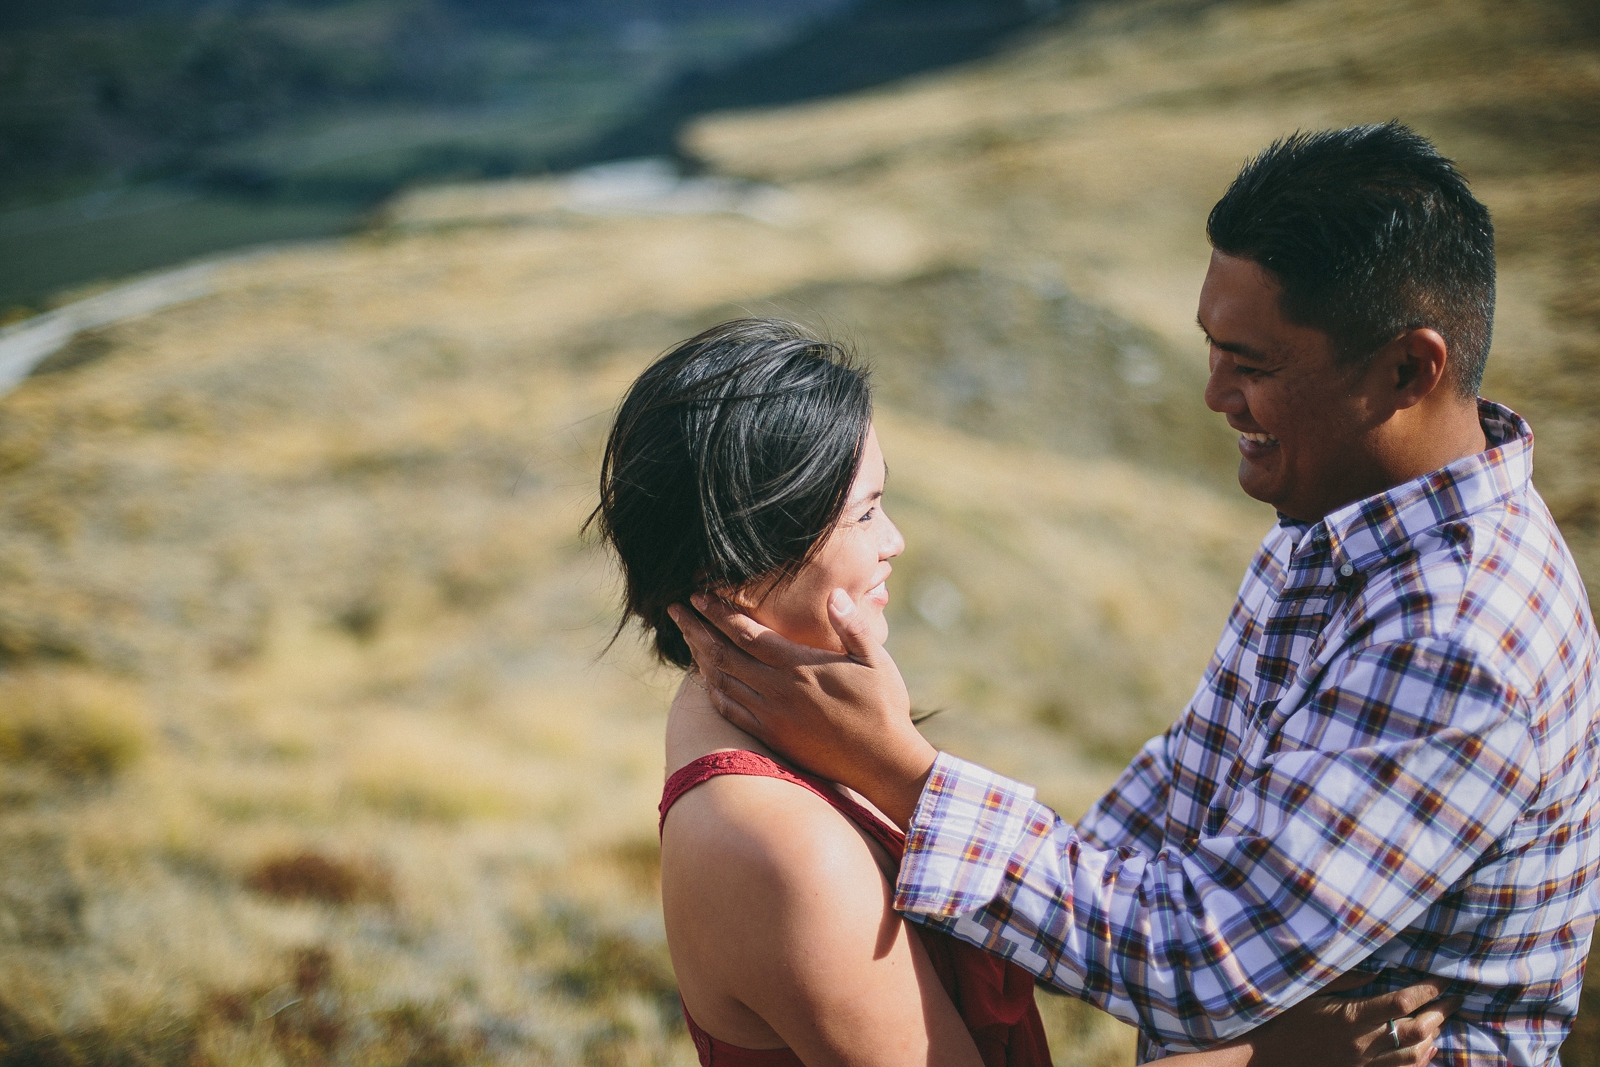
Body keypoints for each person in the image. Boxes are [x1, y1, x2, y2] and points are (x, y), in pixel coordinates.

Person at [670, 123, 1600, 1065]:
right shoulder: (1341, 519)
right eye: (1213, 347)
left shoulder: (1455, 640)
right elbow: (1185, 792)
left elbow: (1198, 958)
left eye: (1254, 363)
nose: (1213, 393)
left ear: (1408, 369)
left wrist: (902, 774)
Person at [593, 317, 1455, 1066]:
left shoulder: (765, 718)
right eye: (862, 512)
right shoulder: (783, 848)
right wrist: (1265, 1060)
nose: (893, 539)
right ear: (736, 580)